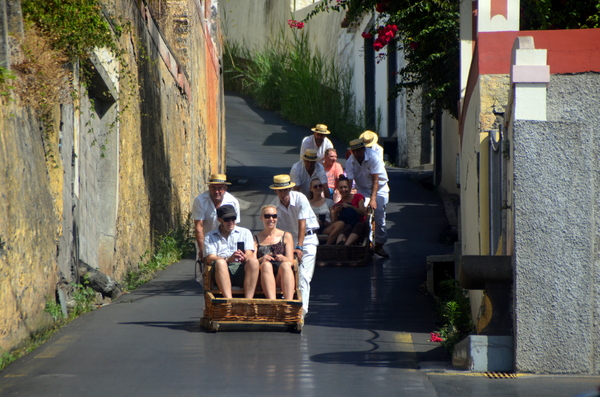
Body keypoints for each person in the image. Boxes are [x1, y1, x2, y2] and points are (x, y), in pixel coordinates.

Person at [269, 174, 319, 316]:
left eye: (286, 190)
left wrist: (300, 246)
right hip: (288, 241)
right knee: (286, 272)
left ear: (290, 189)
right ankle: (287, 305)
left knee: (303, 276)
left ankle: (302, 310)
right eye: (280, 191)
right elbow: (272, 227)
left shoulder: (300, 198)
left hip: (307, 240)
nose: (283, 194)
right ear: (276, 191)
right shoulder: (274, 205)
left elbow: (302, 223)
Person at [345, 138, 390, 258]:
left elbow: (375, 179)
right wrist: (348, 197)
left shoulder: (373, 157)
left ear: (363, 149)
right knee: (364, 214)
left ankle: (379, 245)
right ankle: (368, 244)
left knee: (380, 217)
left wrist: (373, 199)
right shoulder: (350, 161)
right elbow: (349, 181)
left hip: (379, 187)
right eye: (355, 151)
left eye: (359, 151)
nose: (357, 154)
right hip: (363, 188)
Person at [203, 205, 259, 299]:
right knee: (221, 263)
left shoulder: (245, 233)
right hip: (221, 270)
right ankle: (229, 301)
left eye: (233, 218)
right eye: (227, 219)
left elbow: (249, 254)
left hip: (241, 268)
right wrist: (228, 259)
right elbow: (210, 258)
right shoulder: (210, 236)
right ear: (219, 220)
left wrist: (243, 257)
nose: (231, 222)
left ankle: (248, 301)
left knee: (253, 261)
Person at [192, 174, 241, 265]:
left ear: (225, 188)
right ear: (209, 187)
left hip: (225, 242)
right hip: (207, 242)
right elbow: (199, 226)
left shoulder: (233, 202)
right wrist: (202, 249)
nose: (216, 191)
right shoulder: (200, 201)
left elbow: (234, 226)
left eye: (220, 188)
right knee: (205, 273)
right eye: (213, 188)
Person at [254, 205, 295, 300]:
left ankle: (288, 303)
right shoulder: (255, 238)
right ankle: (272, 302)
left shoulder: (286, 236)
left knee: (285, 265)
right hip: (263, 275)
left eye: (274, 216)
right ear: (261, 218)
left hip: (280, 275)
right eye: (267, 216)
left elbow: (291, 261)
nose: (271, 219)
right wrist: (261, 259)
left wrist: (285, 259)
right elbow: (252, 260)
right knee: (266, 265)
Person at [330, 176, 368, 246]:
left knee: (359, 226)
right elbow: (336, 222)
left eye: (345, 187)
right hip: (347, 226)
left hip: (360, 224)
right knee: (346, 227)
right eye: (341, 188)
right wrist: (336, 212)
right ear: (338, 189)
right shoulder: (339, 204)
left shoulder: (358, 197)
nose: (343, 189)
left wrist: (350, 206)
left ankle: (346, 246)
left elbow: (363, 213)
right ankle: (339, 246)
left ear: (349, 187)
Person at [308, 178, 344, 245]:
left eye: (320, 186)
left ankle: (327, 245)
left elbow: (333, 220)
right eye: (315, 186)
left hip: (326, 227)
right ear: (311, 189)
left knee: (341, 223)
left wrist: (328, 223)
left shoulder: (329, 202)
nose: (318, 188)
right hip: (313, 228)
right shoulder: (307, 203)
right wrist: (314, 222)